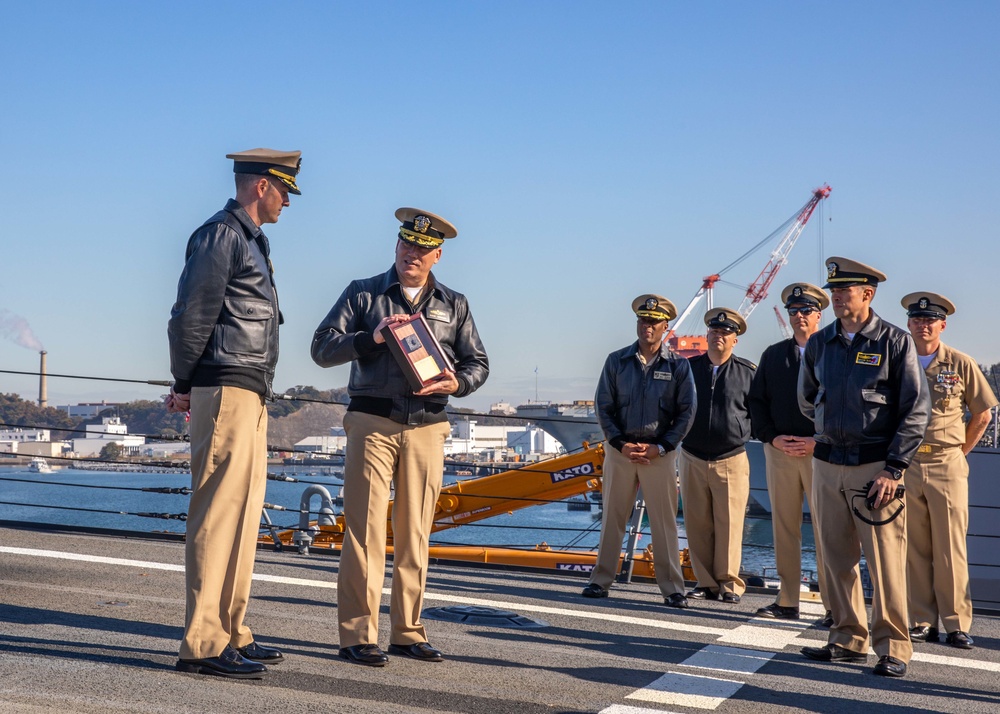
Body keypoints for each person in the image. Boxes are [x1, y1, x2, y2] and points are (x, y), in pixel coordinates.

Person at [311, 207, 489, 666]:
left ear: (438, 256)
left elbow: (478, 364)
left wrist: (458, 384)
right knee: (363, 533)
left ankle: (407, 633)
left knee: (415, 535)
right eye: (407, 244)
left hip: (428, 426)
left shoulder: (456, 303)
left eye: (423, 248)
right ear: (396, 246)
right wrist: (369, 339)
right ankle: (357, 635)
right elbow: (321, 347)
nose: (413, 253)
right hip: (372, 423)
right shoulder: (363, 294)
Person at [167, 148, 302, 678]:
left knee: (244, 519)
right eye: (284, 189)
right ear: (261, 186)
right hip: (224, 389)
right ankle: (201, 643)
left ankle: (230, 631)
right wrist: (184, 382)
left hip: (249, 392)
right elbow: (191, 315)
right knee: (219, 517)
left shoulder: (248, 239)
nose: (288, 200)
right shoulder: (221, 235)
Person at [799, 257, 930, 678]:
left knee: (885, 561)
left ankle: (894, 647)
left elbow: (915, 409)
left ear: (867, 295)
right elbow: (808, 399)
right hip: (827, 464)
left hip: (874, 466)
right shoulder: (820, 344)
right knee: (835, 557)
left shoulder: (893, 341)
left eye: (845, 290)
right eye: (834, 290)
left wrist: (894, 468)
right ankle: (847, 638)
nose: (836, 296)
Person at [583, 295, 697, 608]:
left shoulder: (678, 366)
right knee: (612, 519)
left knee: (663, 523)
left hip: (658, 454)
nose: (647, 326)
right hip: (621, 451)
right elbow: (603, 406)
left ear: (665, 327)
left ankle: (672, 588)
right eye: (643, 320)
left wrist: (662, 446)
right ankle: (600, 581)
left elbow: (687, 412)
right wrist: (619, 442)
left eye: (653, 322)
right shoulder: (616, 361)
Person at [901, 291, 997, 650]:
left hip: (946, 462)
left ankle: (956, 623)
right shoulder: (898, 362)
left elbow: (983, 413)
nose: (923, 325)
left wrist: (961, 452)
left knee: (950, 547)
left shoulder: (960, 363)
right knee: (913, 547)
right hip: (906, 463)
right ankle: (921, 620)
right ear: (908, 324)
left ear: (942, 324)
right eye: (917, 319)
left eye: (930, 320)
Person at [749, 283, 832, 623]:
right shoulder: (773, 355)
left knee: (829, 529)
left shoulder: (833, 352)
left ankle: (835, 605)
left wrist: (819, 440)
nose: (799, 317)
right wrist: (771, 438)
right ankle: (787, 600)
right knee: (785, 527)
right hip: (780, 452)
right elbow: (756, 402)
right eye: (793, 311)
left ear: (819, 315)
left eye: (806, 311)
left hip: (822, 453)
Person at [678, 308, 755, 604]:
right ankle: (705, 583)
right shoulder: (688, 369)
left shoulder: (747, 372)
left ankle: (729, 583)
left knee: (730, 523)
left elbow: (756, 412)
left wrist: (741, 433)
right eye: (713, 331)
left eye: (724, 333)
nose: (718, 336)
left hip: (730, 457)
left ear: (735, 340)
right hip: (692, 455)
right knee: (697, 523)